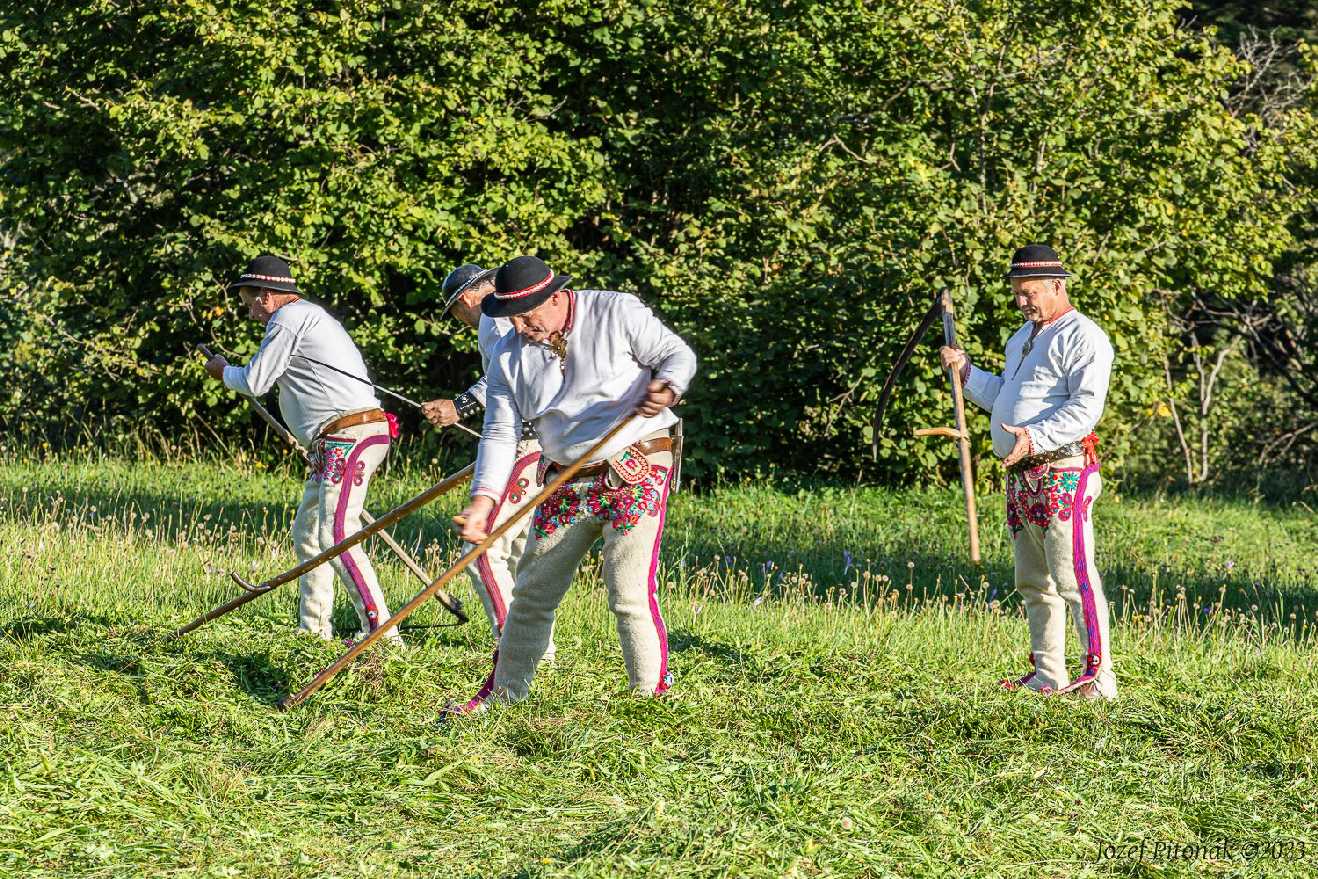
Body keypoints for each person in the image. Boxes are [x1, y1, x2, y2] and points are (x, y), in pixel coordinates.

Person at [447, 255, 696, 714]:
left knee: (627, 590)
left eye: (528, 315)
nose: (521, 327)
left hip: (635, 460)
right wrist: (483, 501)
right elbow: (500, 432)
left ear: (558, 298)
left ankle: (650, 698)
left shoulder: (616, 311)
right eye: (512, 319)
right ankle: (505, 696)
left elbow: (676, 355)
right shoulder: (508, 357)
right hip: (564, 475)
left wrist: (668, 385)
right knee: (532, 592)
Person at [940, 244, 1116, 699]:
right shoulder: (1022, 337)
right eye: (1018, 292)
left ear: (1057, 286)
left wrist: (1034, 438)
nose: (1022, 301)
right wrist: (967, 374)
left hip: (1063, 470)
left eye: (1030, 292)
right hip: (1022, 475)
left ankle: (1098, 676)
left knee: (1074, 575)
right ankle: (1048, 674)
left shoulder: (1085, 336)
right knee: (1033, 581)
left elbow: (1085, 408)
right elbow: (1004, 396)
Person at [203, 254, 401, 645]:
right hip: (336, 439)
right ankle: (313, 632)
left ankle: (380, 634)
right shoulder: (305, 317)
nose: (252, 315)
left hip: (349, 435)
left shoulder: (288, 319)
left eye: (249, 304)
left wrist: (222, 371)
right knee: (309, 532)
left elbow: (256, 380)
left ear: (265, 296)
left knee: (336, 532)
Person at [420, 263, 553, 659]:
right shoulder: (514, 313)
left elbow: (504, 372)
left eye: (455, 314)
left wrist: (458, 406)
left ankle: (515, 647)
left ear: (464, 300)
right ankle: (538, 648)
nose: (460, 321)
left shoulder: (492, 318)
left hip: (524, 443)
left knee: (482, 550)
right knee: (516, 551)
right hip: (545, 442)